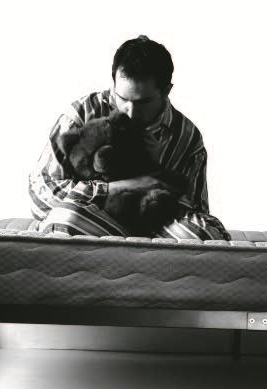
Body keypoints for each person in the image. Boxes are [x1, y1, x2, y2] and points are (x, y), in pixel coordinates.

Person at [28, 35, 229, 240]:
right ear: (113, 83)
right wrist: (116, 188)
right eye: (122, 98)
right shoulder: (82, 114)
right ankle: (135, 250)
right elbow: (41, 195)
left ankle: (136, 249)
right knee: (65, 219)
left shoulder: (187, 137)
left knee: (204, 235)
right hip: (95, 219)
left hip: (156, 226)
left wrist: (160, 188)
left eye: (143, 102)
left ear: (166, 91)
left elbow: (196, 209)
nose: (130, 113)